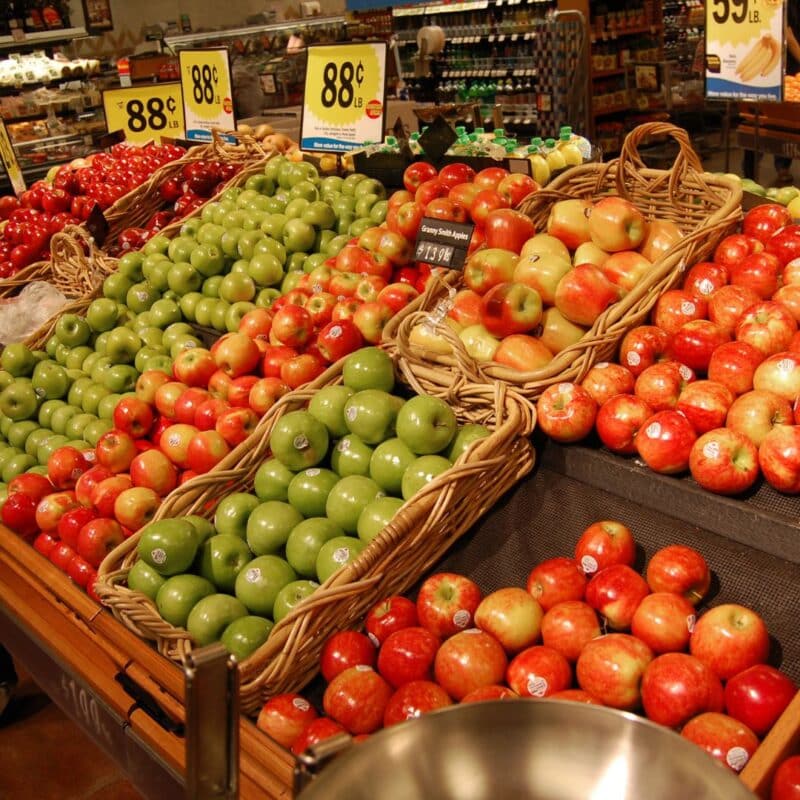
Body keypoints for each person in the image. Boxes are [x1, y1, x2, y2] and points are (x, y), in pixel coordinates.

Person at [742, 3, 799, 185]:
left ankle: (781, 167)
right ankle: (751, 172)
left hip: (788, 68)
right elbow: (787, 34)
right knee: (766, 119)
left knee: (782, 121)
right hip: (776, 66)